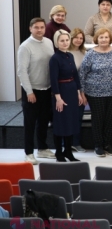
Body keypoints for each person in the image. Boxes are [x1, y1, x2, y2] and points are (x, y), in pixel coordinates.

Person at [79, 28, 112, 157]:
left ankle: (107, 144)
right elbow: (82, 73)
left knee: (110, 119)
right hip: (95, 93)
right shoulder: (90, 54)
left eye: (106, 37)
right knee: (98, 119)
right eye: (101, 37)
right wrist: (82, 92)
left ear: (110, 39)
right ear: (96, 39)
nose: (104, 39)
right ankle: (98, 145)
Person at [18, 18, 55, 165]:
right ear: (30, 29)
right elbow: (22, 71)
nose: (39, 30)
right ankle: (28, 153)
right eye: (36, 27)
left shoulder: (49, 42)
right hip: (32, 90)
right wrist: (29, 91)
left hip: (47, 89)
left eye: (42, 27)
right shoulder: (25, 46)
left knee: (44, 121)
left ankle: (42, 148)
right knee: (30, 123)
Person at [49, 30, 84, 162]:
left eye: (67, 40)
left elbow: (75, 75)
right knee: (60, 123)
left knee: (71, 122)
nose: (65, 43)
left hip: (72, 90)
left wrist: (79, 93)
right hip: (61, 92)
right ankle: (59, 152)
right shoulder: (55, 58)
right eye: (62, 41)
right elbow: (53, 80)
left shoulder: (70, 55)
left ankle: (68, 151)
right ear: (56, 42)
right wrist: (58, 98)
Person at [68, 28, 87, 153]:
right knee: (67, 118)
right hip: (68, 89)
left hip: (80, 89)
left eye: (81, 38)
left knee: (78, 117)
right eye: (76, 37)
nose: (78, 40)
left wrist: (82, 92)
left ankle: (76, 143)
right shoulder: (65, 52)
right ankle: (66, 144)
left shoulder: (84, 53)